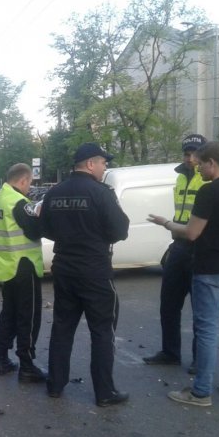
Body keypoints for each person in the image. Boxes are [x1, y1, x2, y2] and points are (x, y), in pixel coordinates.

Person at [148, 141, 219, 406]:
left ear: (212, 163)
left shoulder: (209, 192)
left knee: (207, 329)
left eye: (202, 163)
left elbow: (192, 233)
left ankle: (201, 391)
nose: (198, 167)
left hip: (209, 268)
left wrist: (167, 223)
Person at [40, 143, 130, 407]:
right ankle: (104, 392)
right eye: (103, 163)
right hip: (94, 270)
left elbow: (45, 228)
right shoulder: (101, 193)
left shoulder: (54, 192)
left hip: (65, 268)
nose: (105, 168)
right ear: (90, 164)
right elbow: (119, 231)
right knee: (102, 330)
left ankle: (55, 384)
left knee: (62, 326)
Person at [143, 134, 207, 374]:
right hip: (179, 246)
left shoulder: (208, 179)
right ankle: (170, 353)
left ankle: (201, 359)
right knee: (168, 304)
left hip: (199, 247)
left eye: (194, 153)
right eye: (186, 153)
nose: (190, 158)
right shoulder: (180, 177)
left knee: (201, 308)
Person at [0, 163, 48, 382]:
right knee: (28, 317)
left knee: (8, 314)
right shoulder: (19, 203)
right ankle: (27, 365)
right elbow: (35, 231)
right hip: (24, 266)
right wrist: (40, 215)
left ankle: (2, 359)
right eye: (29, 182)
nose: (29, 187)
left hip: (6, 266)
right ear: (23, 180)